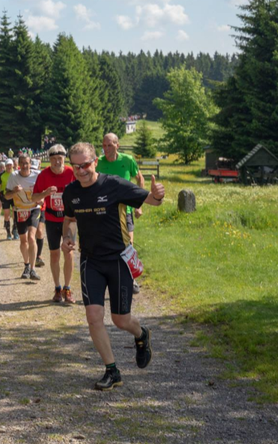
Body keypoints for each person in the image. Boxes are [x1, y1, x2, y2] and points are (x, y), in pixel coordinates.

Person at [61, 142, 165, 391]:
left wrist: (158, 194)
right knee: (93, 317)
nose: (81, 171)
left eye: (85, 164)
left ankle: (141, 335)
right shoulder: (71, 192)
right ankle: (112, 370)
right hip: (91, 261)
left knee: (121, 320)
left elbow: (152, 201)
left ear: (95, 161)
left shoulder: (114, 185)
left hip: (118, 259)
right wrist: (68, 237)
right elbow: (69, 220)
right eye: (75, 166)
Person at [97, 133, 145, 294]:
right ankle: (107, 280)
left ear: (117, 145)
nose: (106, 149)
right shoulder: (98, 162)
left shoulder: (127, 160)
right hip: (104, 210)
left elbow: (139, 178)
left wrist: (139, 205)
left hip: (126, 210)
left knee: (128, 245)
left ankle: (132, 279)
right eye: (104, 145)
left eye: (109, 145)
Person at [33, 144, 76, 304]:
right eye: (53, 159)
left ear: (64, 158)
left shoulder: (72, 173)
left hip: (69, 219)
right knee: (54, 254)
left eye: (60, 159)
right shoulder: (44, 175)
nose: (57, 162)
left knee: (69, 252)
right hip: (51, 219)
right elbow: (33, 198)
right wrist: (45, 193)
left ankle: (68, 288)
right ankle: (57, 288)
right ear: (49, 160)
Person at [5, 153, 52, 281]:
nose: (25, 166)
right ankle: (26, 265)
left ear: (30, 164)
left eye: (27, 163)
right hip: (20, 210)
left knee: (32, 237)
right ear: (18, 165)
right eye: (22, 163)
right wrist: (14, 191)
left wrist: (42, 199)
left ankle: (32, 269)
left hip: (34, 209)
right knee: (23, 240)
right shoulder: (13, 176)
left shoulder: (37, 175)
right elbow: (6, 196)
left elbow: (44, 191)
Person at [0, 160, 18, 240]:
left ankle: (15, 230)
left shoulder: (16, 173)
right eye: (7, 165)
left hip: (15, 196)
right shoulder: (1, 175)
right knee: (6, 214)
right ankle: (8, 232)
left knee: (15, 214)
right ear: (5, 166)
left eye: (10, 165)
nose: (9, 167)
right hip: (5, 196)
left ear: (12, 165)